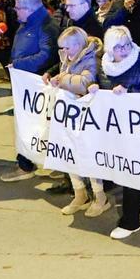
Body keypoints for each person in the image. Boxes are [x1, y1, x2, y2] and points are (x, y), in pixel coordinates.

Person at [89, 25, 140, 239]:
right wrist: (96, 88)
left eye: (127, 45)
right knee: (133, 170)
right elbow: (104, 88)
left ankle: (131, 222)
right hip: (116, 127)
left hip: (138, 129)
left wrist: (129, 91)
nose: (123, 49)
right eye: (118, 46)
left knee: (130, 171)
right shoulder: (105, 65)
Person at [45, 26, 108, 216]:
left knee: (87, 155)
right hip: (70, 116)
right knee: (69, 153)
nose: (63, 53)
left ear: (79, 45)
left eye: (67, 48)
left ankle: (100, 197)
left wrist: (62, 78)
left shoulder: (92, 59)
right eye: (61, 48)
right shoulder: (69, 58)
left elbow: (84, 83)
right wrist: (58, 77)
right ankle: (79, 193)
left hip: (87, 117)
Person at [0, 0, 58, 182]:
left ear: (30, 8)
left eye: (18, 7)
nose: (15, 11)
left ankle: (26, 164)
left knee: (34, 123)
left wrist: (19, 64)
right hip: (25, 83)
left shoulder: (45, 25)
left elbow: (46, 54)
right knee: (27, 123)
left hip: (36, 83)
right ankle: (28, 161)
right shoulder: (27, 22)